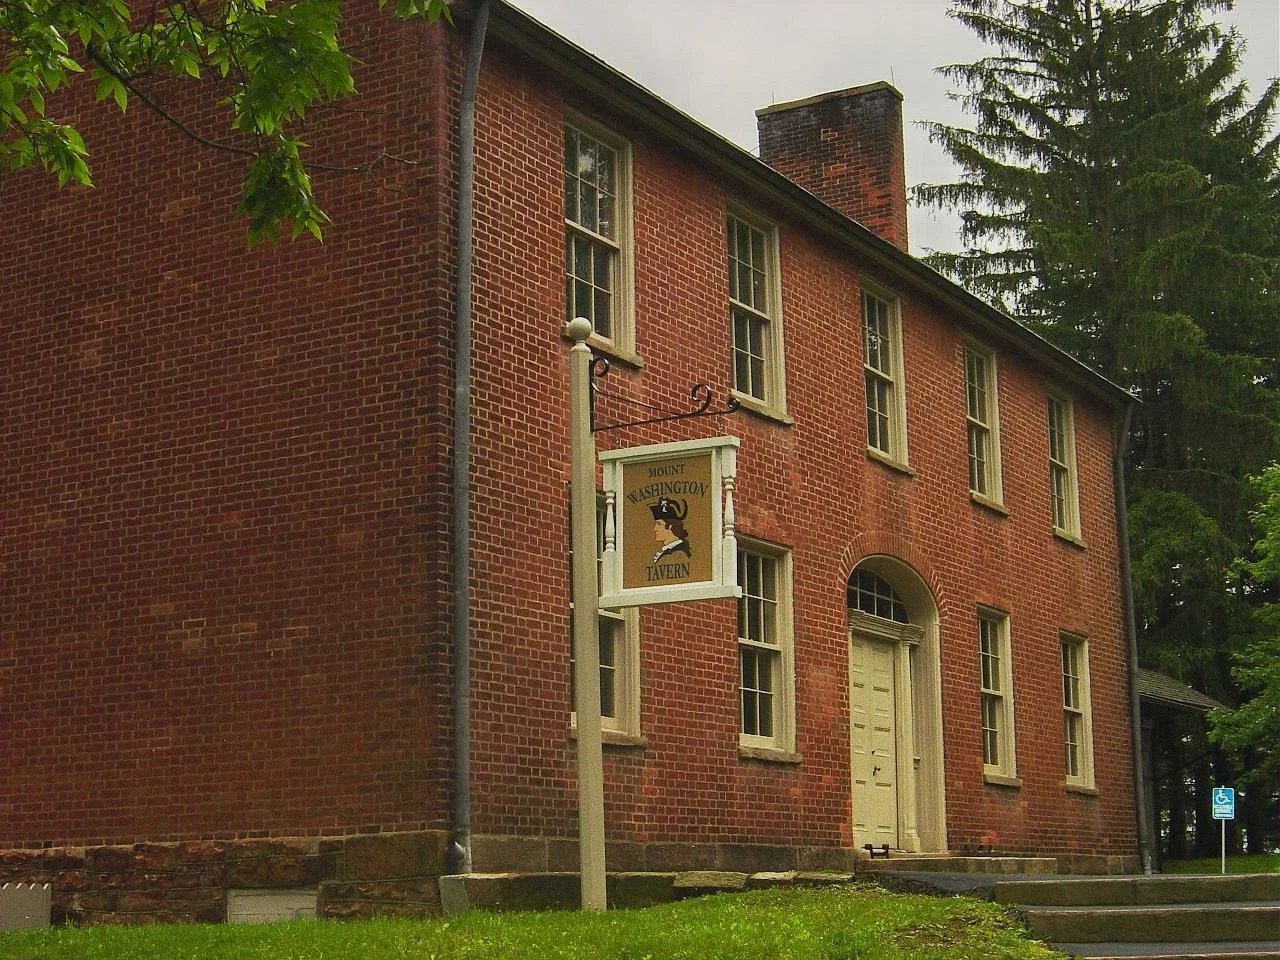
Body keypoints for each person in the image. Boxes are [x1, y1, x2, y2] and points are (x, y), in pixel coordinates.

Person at [650, 497, 692, 563]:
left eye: (659, 524)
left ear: (670, 526)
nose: (655, 529)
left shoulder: (678, 553)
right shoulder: (669, 551)